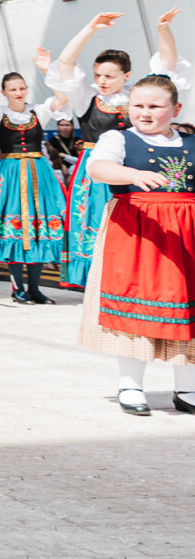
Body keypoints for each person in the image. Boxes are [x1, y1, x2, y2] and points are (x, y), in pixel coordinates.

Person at [79, 73, 195, 415]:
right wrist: (133, 175)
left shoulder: (191, 141)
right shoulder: (118, 138)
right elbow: (97, 168)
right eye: (138, 105)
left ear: (176, 109)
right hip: (137, 231)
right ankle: (130, 385)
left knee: (188, 308)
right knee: (133, 306)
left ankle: (187, 387)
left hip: (186, 234)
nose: (144, 112)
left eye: (155, 106)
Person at [49, 10, 181, 290]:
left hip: (135, 166)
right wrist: (90, 27)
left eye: (109, 75)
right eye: (98, 75)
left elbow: (167, 65)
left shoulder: (137, 97)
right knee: (94, 220)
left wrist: (163, 29)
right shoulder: (86, 97)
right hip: (96, 171)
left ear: (127, 75)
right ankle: (97, 282)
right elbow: (65, 62)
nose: (102, 81)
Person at [0, 49, 68, 304]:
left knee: (38, 227)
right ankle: (17, 288)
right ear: (4, 92)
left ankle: (35, 288)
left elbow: (62, 99)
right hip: (11, 174)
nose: (19, 92)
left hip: (38, 173)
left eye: (22, 88)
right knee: (13, 226)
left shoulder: (38, 110)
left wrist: (48, 70)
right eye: (13, 89)